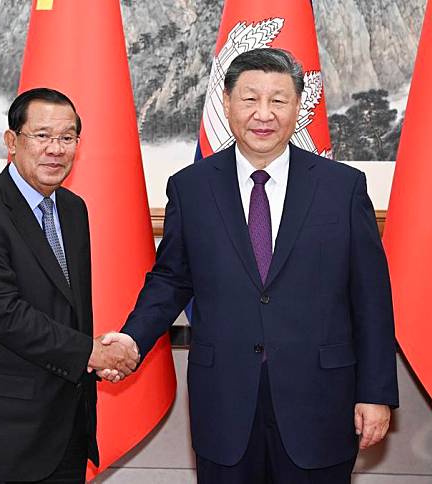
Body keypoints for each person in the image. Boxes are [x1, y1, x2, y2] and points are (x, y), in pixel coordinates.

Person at [103, 48, 399, 483]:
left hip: (320, 402)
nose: (264, 114)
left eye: (278, 101)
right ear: (226, 103)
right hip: (225, 401)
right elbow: (170, 280)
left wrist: (376, 393)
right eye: (250, 99)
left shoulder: (342, 188)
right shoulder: (192, 188)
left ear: (298, 107)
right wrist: (131, 339)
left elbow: (371, 298)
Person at [0, 88, 138, 484]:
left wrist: (93, 356)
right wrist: (92, 354)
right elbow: (4, 315)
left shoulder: (73, 209)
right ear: (12, 141)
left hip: (65, 425)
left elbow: (69, 309)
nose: (55, 149)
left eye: (67, 137)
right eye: (41, 136)